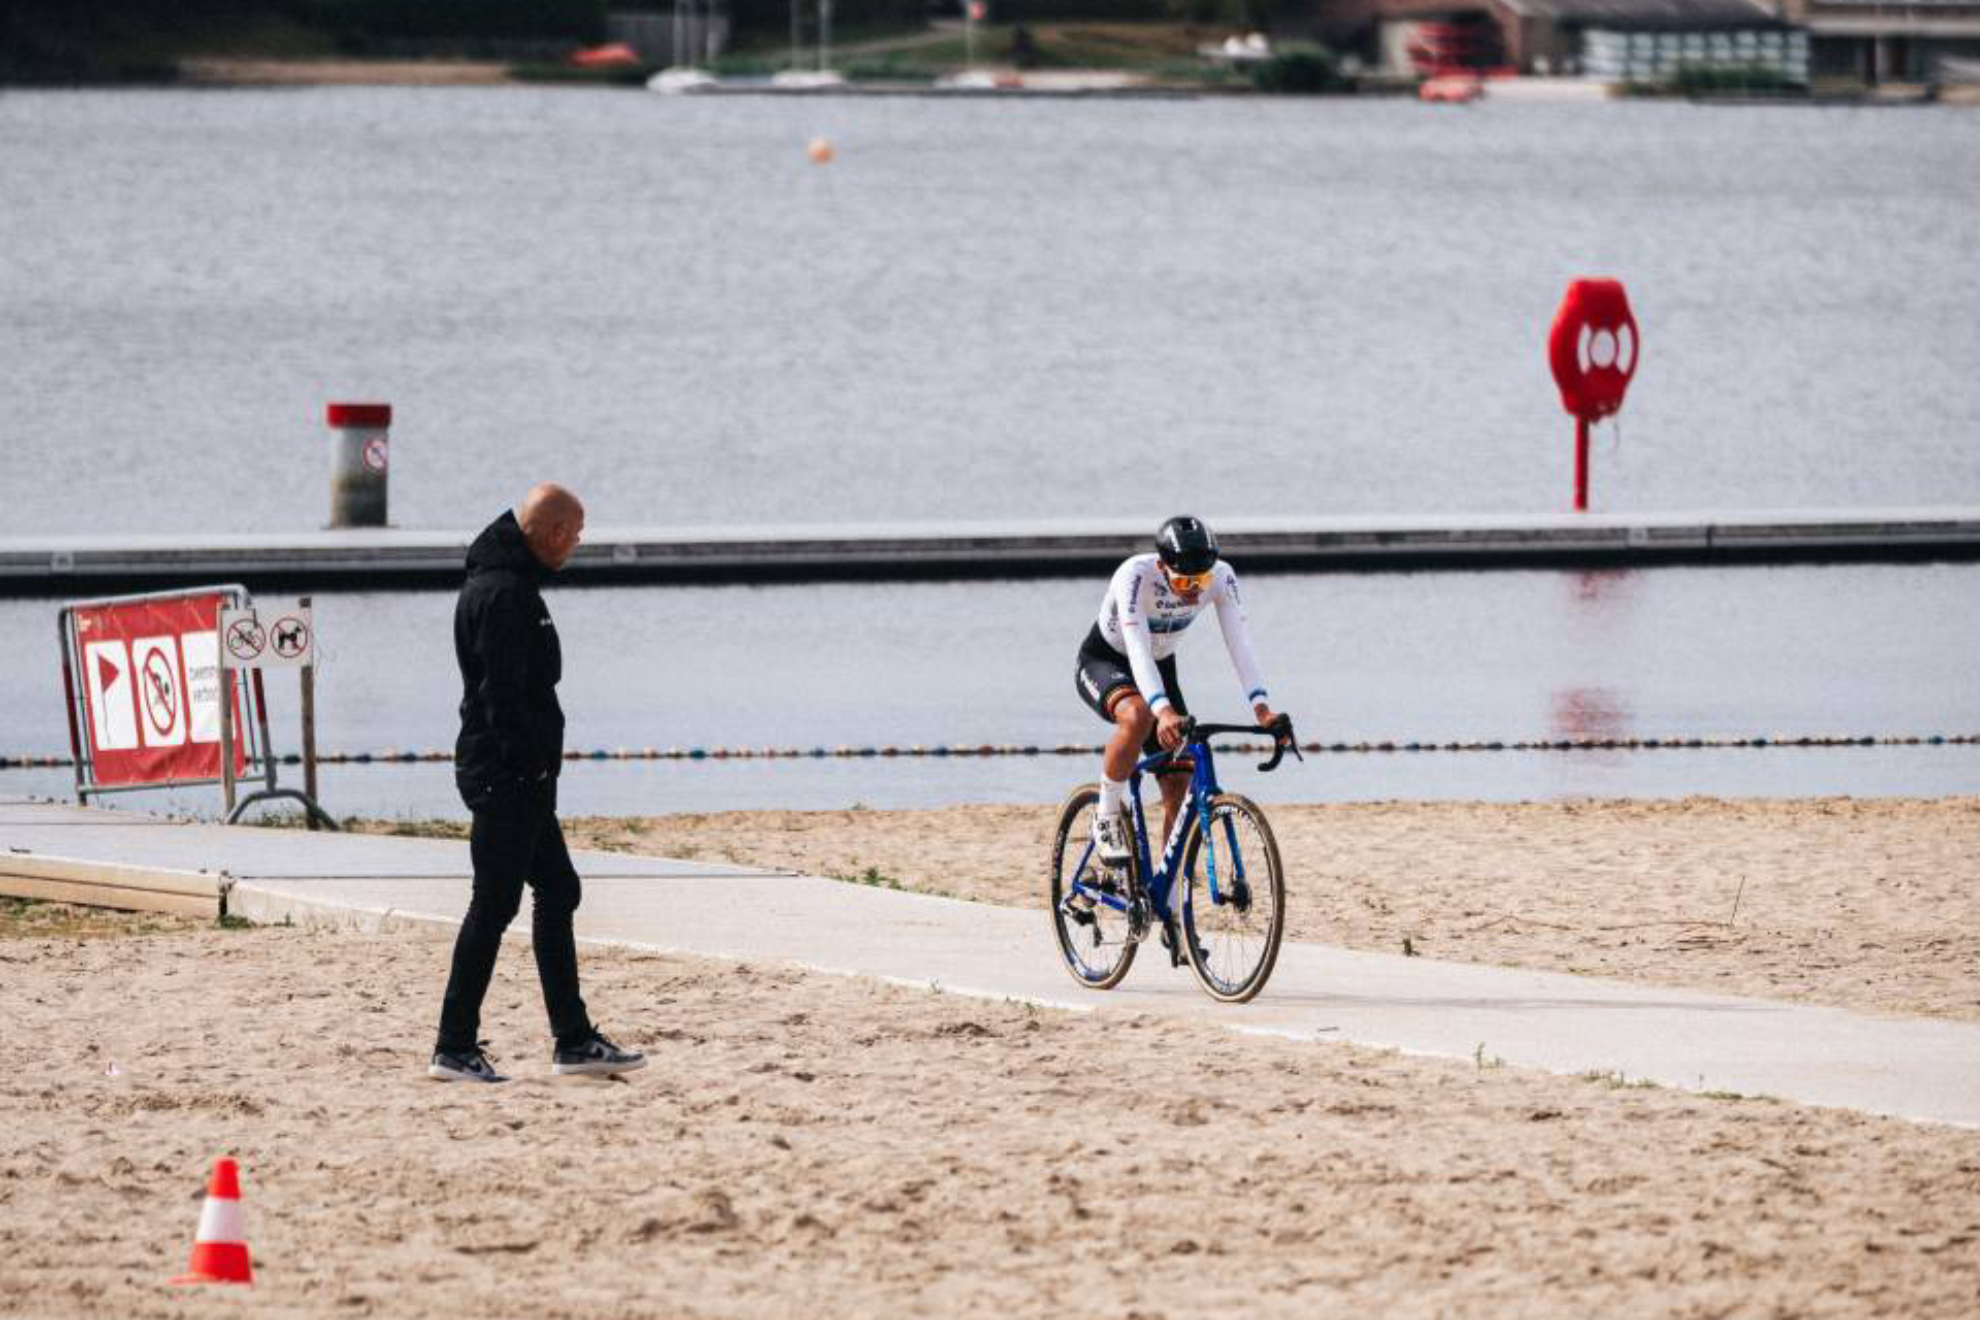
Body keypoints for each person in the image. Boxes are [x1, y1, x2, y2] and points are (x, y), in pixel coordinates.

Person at [429, 483, 646, 1083]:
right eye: (575, 535)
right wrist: (529, 763)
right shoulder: (502, 593)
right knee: (494, 903)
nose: (576, 544)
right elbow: (499, 694)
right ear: (552, 533)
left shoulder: (509, 583)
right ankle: (453, 1045)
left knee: (558, 889)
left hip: (518, 774)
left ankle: (572, 1041)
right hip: (506, 775)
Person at [1074, 515, 1282, 866]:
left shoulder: (1222, 576)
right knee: (1138, 715)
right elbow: (1137, 649)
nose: (1195, 589)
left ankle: (1167, 894)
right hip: (1106, 660)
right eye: (1186, 580)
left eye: (1202, 579)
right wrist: (1163, 710)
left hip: (1160, 667)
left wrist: (1262, 708)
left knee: (1179, 784)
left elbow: (1239, 644)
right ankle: (1106, 816)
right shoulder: (1134, 575)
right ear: (1162, 566)